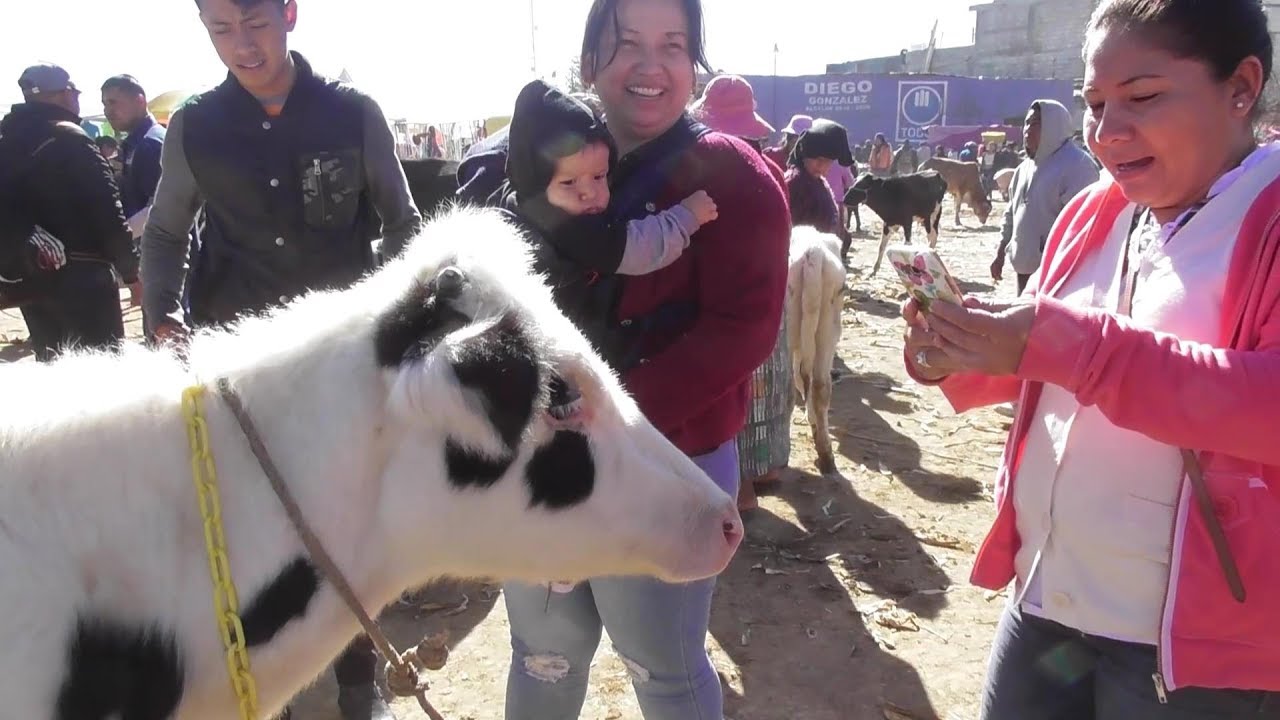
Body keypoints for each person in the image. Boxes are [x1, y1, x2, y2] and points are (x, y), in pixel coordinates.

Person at [901, 0, 1280, 717]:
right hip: (1049, 594)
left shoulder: (1270, 216)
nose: (1107, 134)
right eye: (1094, 104)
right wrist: (952, 349)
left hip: (1191, 642)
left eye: (1141, 98)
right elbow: (1044, 359)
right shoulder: (1096, 212)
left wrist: (1077, 347)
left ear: (1241, 87)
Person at [464, 1, 790, 717]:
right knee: (542, 658)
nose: (652, 66)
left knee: (663, 668)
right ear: (589, 65)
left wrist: (610, 417)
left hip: (665, 464)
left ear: (693, 64)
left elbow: (742, 330)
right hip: (544, 462)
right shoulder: (527, 171)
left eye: (674, 46)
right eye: (628, 45)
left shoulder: (736, 181)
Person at [139, 0, 421, 716]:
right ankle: (276, 690)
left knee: (348, 522)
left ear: (289, 12)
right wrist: (163, 313)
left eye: (254, 22)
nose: (242, 45)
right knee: (248, 533)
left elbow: (402, 224)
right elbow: (167, 232)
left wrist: (389, 315)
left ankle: (359, 681)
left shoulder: (352, 114)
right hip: (241, 373)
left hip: (338, 369)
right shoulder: (197, 127)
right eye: (220, 29)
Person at [495, 77, 718, 343]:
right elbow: (636, 249)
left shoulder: (516, 201)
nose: (588, 192)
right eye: (568, 182)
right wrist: (685, 217)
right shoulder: (564, 227)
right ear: (535, 186)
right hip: (568, 339)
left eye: (600, 176)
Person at [0, 63, 137, 361]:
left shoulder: (6, 141)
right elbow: (107, 213)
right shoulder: (70, 139)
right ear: (64, 95)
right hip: (85, 281)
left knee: (56, 372)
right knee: (103, 374)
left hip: (33, 278)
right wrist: (132, 273)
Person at [992, 100, 1099, 295]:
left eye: (1035, 123)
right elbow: (1011, 214)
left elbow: (1083, 226)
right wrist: (1000, 252)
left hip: (1060, 273)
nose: (1027, 130)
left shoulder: (1077, 166)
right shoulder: (1023, 168)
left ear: (1054, 126)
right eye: (1026, 123)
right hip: (1025, 266)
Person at [101, 74, 167, 242]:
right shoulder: (134, 144)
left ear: (140, 101)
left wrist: (119, 239)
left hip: (159, 254)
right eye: (105, 104)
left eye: (113, 102)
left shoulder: (150, 144)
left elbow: (161, 207)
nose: (108, 111)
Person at [785, 119, 852, 236]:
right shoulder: (795, 183)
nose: (822, 166)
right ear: (804, 154)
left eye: (828, 161)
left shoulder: (819, 182)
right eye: (818, 159)